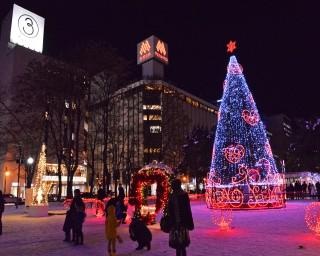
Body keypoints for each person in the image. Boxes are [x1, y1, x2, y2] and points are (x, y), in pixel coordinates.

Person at [168, 179, 194, 256]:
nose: (172, 187)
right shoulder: (172, 196)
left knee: (182, 242)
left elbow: (187, 210)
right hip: (175, 222)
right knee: (177, 242)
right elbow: (170, 210)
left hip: (182, 222)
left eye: (173, 185)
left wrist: (189, 222)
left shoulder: (183, 195)